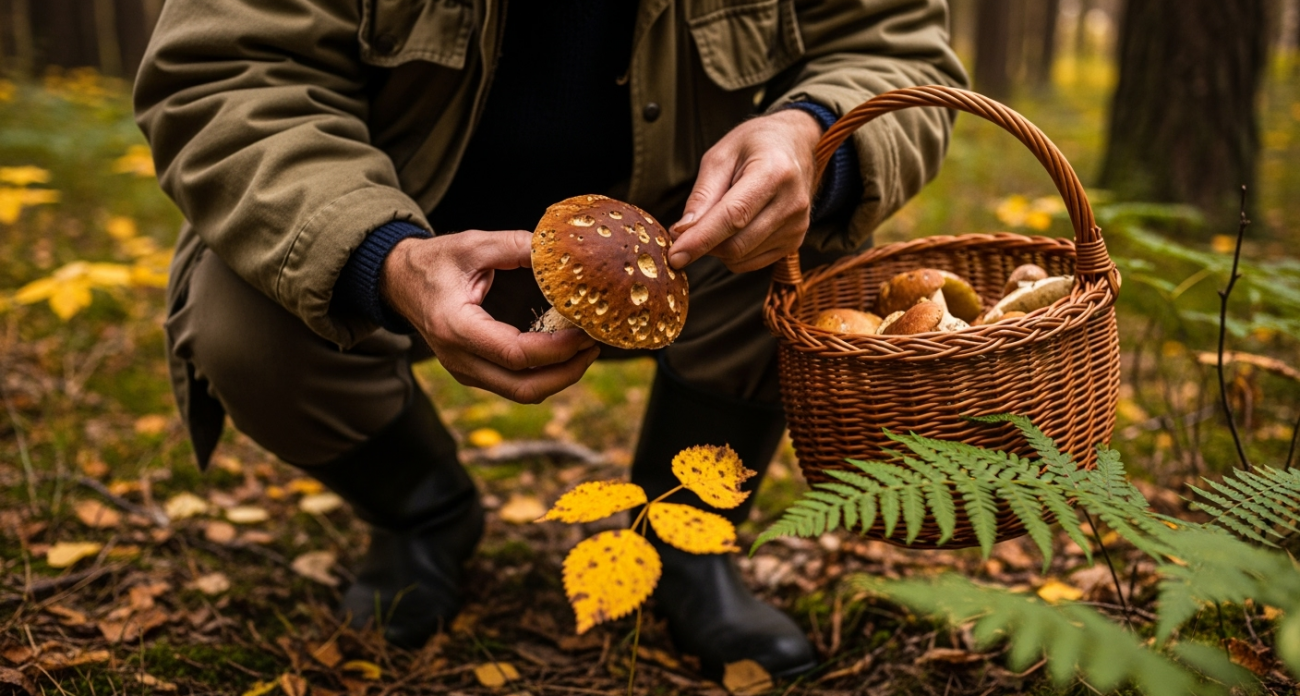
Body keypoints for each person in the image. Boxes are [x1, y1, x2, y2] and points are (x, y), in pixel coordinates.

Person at [134, 0, 966, 680]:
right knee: (240, 315)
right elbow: (226, 73)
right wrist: (380, 259)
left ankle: (681, 544)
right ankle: (423, 517)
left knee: (812, 270)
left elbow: (893, 47)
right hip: (408, 220)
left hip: (684, 236)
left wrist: (813, 136)